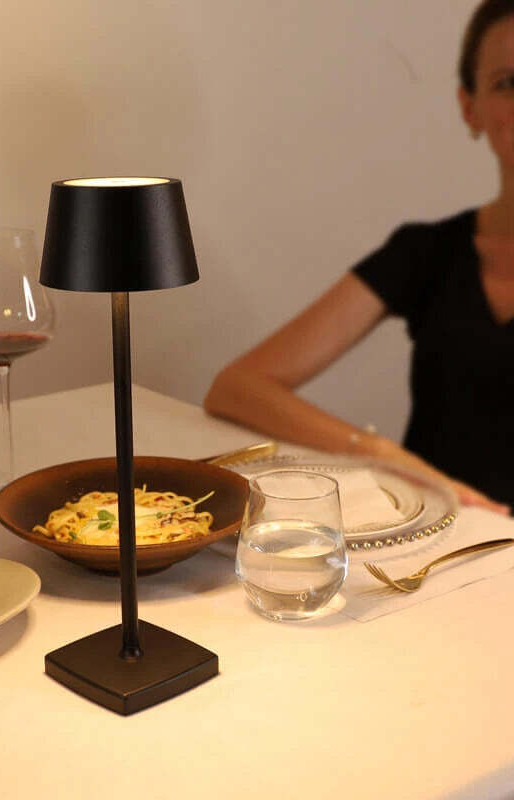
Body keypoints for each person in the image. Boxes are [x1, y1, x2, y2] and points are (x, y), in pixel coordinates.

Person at [204, 0, 514, 515]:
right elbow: (236, 388)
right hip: (444, 541)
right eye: (508, 83)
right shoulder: (428, 251)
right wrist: (379, 452)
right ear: (470, 108)